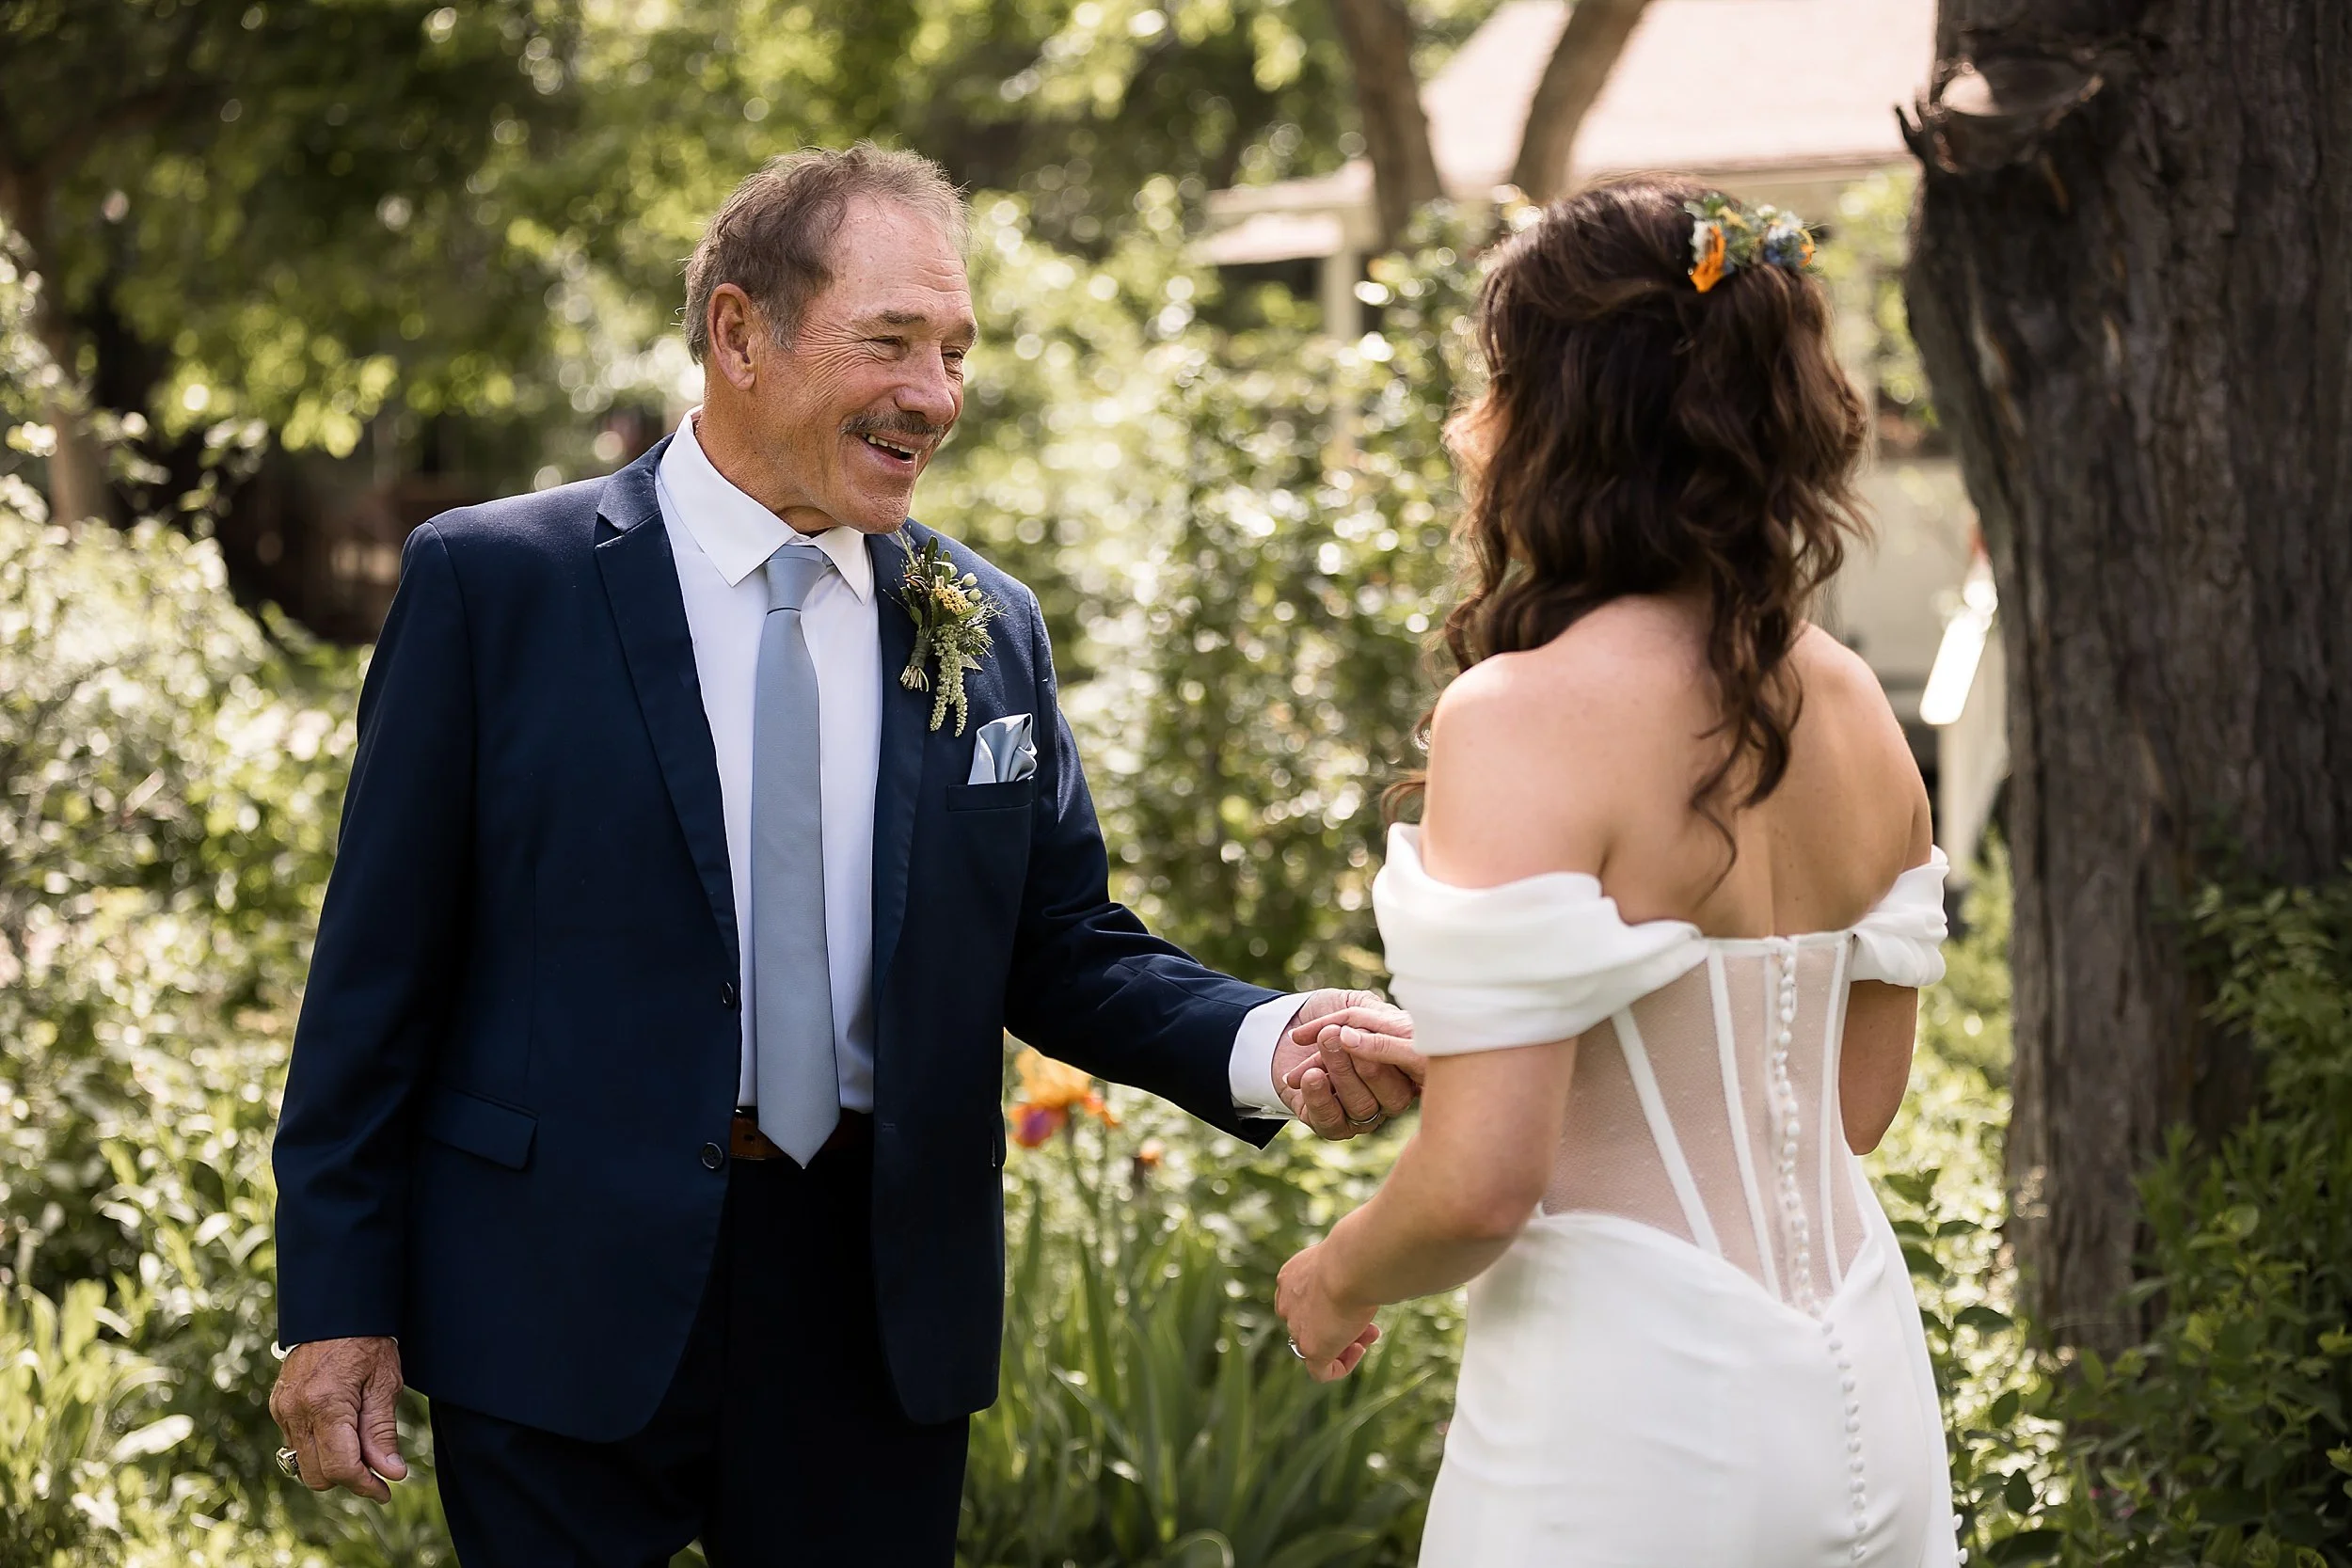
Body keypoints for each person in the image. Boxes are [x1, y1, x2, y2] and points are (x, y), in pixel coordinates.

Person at [265, 144, 1420, 1567]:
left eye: (954, 350)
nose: (935, 394)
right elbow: (376, 970)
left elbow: (1060, 943)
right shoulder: (496, 585)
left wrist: (1267, 1037)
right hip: (561, 1290)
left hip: (878, 1306)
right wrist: (338, 1299)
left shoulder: (987, 622)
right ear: (738, 333)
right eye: (890, 341)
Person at [1275, 178, 1959, 1566]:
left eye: (1496, 381)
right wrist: (1502, 1051)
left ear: (1558, 415)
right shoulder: (1856, 707)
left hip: (1631, 1422)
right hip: (1870, 1397)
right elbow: (1848, 1107)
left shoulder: (1522, 714)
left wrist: (1331, 1275)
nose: (1475, 423)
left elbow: (1482, 1187)